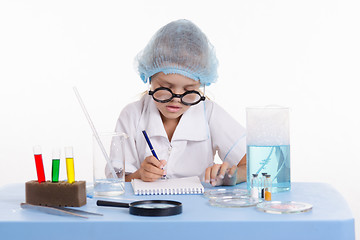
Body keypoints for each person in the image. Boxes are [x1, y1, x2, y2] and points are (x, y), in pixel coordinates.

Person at [113, 19, 246, 186]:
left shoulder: (209, 113)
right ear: (149, 78)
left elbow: (257, 164)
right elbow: (114, 180)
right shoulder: (132, 115)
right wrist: (139, 174)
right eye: (165, 87)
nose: (176, 98)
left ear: (201, 84)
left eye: (189, 89)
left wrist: (232, 175)